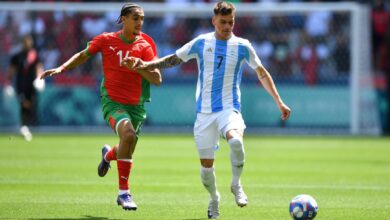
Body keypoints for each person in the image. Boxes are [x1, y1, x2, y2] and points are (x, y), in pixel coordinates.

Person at [122, 1, 291, 219]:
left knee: (236, 141)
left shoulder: (243, 46)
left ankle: (236, 184)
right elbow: (174, 58)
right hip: (204, 114)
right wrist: (146, 66)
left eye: (231, 22)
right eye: (223, 22)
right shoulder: (201, 42)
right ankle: (214, 199)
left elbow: (261, 72)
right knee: (206, 169)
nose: (227, 26)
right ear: (214, 21)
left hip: (230, 109)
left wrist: (279, 101)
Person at [40, 3, 161, 211]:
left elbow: (157, 79)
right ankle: (124, 194)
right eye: (135, 18)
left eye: (142, 18)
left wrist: (139, 66)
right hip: (112, 101)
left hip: (136, 106)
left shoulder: (145, 46)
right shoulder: (106, 40)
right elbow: (83, 55)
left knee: (126, 147)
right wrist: (62, 67)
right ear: (123, 19)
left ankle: (108, 155)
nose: (139, 22)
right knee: (128, 134)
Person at [8, 34, 44, 141]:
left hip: (31, 85)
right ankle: (24, 127)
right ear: (23, 43)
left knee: (30, 104)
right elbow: (11, 71)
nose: (29, 44)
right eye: (27, 42)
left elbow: (39, 67)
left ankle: (25, 126)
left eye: (30, 41)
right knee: (24, 104)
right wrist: (8, 84)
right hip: (21, 85)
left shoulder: (34, 55)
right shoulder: (17, 56)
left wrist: (39, 78)